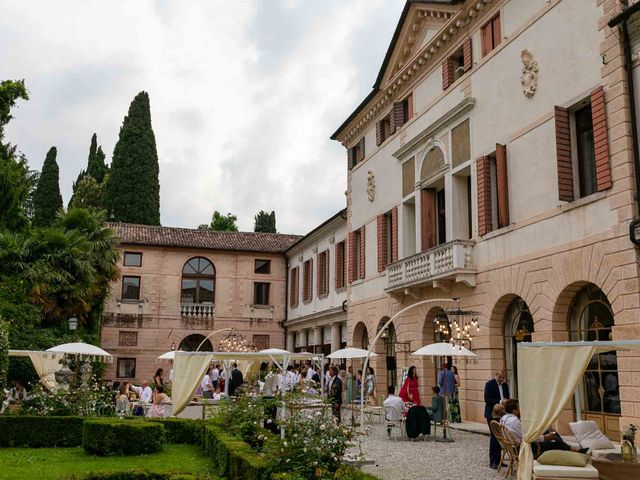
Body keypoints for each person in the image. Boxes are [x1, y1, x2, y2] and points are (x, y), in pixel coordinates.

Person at [500, 399, 588, 457]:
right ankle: (573, 452)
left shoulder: (503, 419)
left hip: (516, 446)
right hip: (527, 448)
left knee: (552, 433)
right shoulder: (514, 421)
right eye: (519, 408)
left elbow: (524, 434)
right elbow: (527, 438)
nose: (520, 410)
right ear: (514, 410)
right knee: (555, 440)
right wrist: (544, 437)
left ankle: (570, 449)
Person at [484, 369, 510, 469]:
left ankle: (499, 460)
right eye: (500, 377)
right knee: (494, 437)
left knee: (501, 437)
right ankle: (493, 461)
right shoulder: (489, 384)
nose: (502, 379)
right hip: (492, 414)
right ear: (496, 375)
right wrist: (500, 401)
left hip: (502, 414)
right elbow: (487, 399)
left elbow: (507, 396)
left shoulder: (505, 385)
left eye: (503, 377)